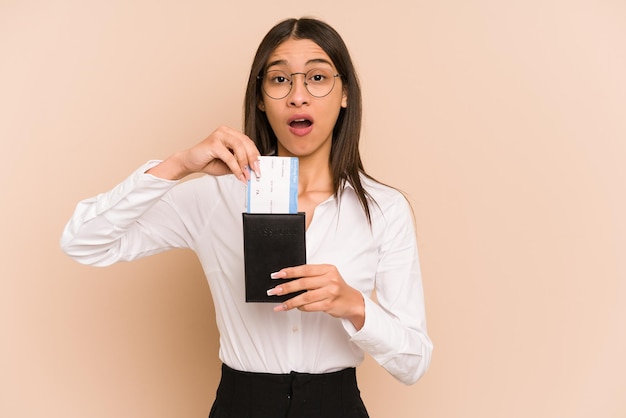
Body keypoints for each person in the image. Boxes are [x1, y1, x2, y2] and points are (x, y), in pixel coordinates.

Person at [61, 17, 432, 418]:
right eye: (279, 80)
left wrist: (354, 305)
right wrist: (180, 164)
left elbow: (413, 364)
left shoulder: (383, 209)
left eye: (318, 77)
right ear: (260, 98)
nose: (298, 96)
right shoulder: (214, 196)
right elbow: (83, 241)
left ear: (345, 94)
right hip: (242, 404)